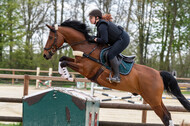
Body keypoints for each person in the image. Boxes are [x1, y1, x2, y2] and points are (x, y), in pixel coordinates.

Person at [88, 9, 130, 83]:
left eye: (91, 18)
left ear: (97, 18)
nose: (89, 19)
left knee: (110, 54)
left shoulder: (102, 25)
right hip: (119, 39)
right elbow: (99, 38)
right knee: (108, 53)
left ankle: (117, 76)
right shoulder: (100, 25)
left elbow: (104, 41)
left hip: (123, 39)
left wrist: (95, 39)